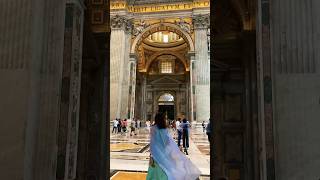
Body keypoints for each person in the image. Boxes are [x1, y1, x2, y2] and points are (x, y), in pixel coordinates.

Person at [146, 113, 201, 180]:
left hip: (156, 155)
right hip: (164, 154)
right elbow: (167, 143)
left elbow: (152, 144)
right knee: (167, 170)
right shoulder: (164, 129)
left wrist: (151, 156)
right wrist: (175, 151)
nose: (165, 120)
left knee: (156, 173)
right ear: (162, 119)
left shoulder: (153, 129)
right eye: (164, 119)